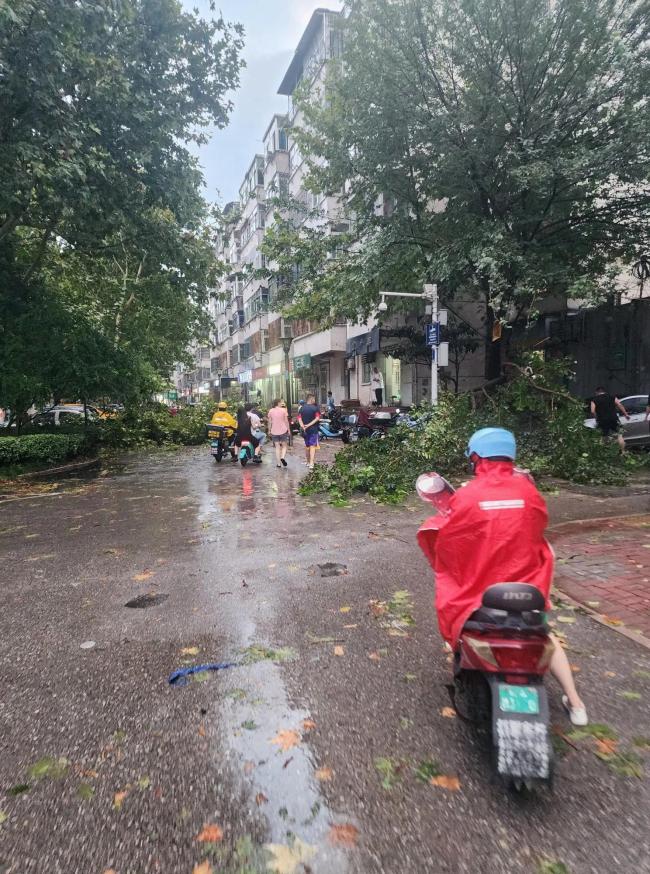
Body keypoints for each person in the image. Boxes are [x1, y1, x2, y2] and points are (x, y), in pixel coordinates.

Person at [418, 427, 587, 726]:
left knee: (452, 600)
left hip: (480, 597)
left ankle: (460, 654)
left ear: (475, 457)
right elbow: (537, 533)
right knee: (546, 636)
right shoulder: (529, 493)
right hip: (526, 592)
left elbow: (451, 544)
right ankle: (576, 703)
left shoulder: (468, 496)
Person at [590, 386, 629, 452]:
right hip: (613, 418)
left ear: (596, 392)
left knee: (603, 437)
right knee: (619, 435)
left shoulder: (594, 400)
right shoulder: (612, 396)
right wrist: (626, 414)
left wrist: (596, 417)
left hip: (602, 420)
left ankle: (602, 453)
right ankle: (623, 452)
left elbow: (592, 411)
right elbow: (619, 405)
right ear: (604, 391)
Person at [298, 393, 320, 470]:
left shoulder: (301, 408)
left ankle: (307, 462)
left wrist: (303, 426)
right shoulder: (315, 408)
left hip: (305, 431)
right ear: (311, 399)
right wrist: (309, 425)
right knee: (312, 446)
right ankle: (311, 463)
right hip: (313, 430)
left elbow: (299, 418)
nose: (314, 400)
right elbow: (317, 418)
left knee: (307, 446)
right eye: (314, 399)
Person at [267, 398, 291, 468]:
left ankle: (278, 464)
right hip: (283, 430)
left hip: (274, 431)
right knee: (284, 446)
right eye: (281, 402)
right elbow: (286, 421)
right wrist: (289, 430)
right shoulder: (284, 410)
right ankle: (282, 457)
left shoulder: (271, 411)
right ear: (278, 403)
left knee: (277, 447)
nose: (282, 403)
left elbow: (269, 422)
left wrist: (269, 430)